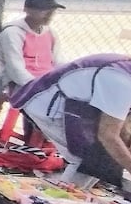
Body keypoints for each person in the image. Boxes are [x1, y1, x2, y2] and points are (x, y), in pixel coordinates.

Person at [12, 54, 131, 188]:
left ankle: (76, 197)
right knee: (86, 159)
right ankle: (58, 203)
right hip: (46, 103)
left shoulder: (125, 72)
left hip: (76, 105)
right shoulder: (122, 82)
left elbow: (123, 128)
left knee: (101, 160)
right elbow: (108, 135)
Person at [0, 0, 64, 91]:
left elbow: (59, 62)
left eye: (52, 11)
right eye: (44, 10)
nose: (49, 15)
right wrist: (38, 88)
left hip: (49, 85)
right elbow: (15, 70)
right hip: (23, 86)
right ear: (27, 10)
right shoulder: (13, 33)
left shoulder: (50, 33)